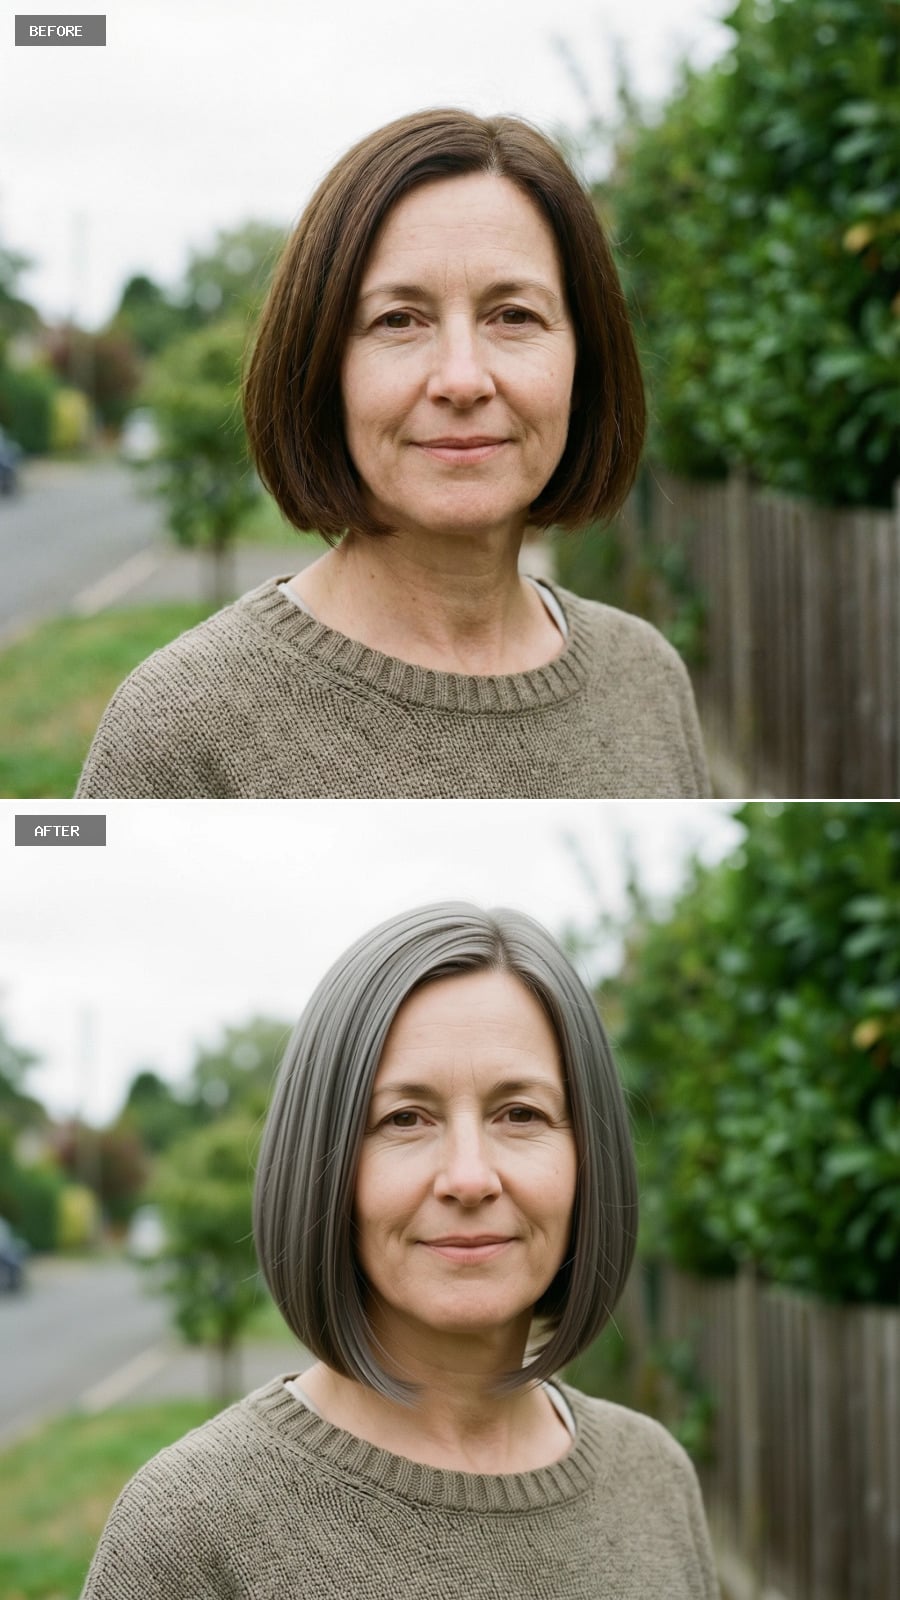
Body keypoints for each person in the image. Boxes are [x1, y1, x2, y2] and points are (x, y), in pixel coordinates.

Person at [81, 903, 720, 1599]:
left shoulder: (655, 1479)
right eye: (405, 1119)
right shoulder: (189, 1529)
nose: (469, 1178)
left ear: (589, 1158)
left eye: (520, 1114)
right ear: (322, 1166)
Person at [76, 110, 709, 799]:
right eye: (398, 320)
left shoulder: (648, 679)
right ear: (323, 370)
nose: (462, 379)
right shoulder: (179, 725)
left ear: (584, 363)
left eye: (514, 316)